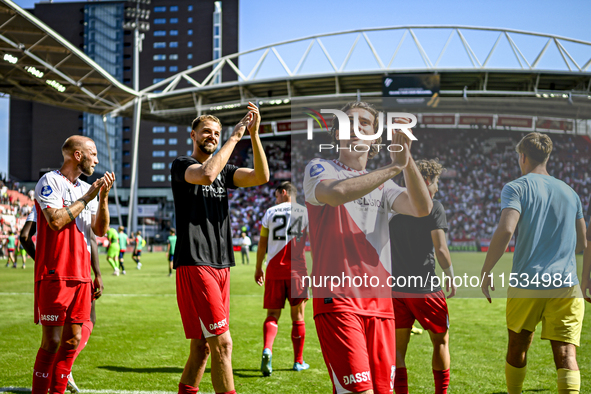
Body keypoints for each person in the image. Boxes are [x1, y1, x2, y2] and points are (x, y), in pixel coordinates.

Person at [303, 101, 432, 394]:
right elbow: (335, 194)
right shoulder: (319, 167)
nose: (356, 127)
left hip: (381, 306)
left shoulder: (385, 186)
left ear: (374, 138)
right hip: (338, 301)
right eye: (349, 122)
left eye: (365, 124)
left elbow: (422, 208)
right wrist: (394, 167)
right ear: (337, 133)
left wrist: (405, 159)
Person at [171, 102, 269, 394]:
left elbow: (261, 177)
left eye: (216, 132)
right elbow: (206, 175)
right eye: (206, 132)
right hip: (195, 262)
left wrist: (254, 135)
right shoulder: (182, 165)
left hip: (222, 264)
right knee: (223, 344)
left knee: (202, 348)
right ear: (193, 135)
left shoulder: (226, 171)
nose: (212, 136)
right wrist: (235, 135)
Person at [480, 132, 587, 394]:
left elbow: (506, 230)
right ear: (547, 156)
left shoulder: (516, 187)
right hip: (565, 285)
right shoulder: (571, 193)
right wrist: (584, 283)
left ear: (522, 156)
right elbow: (584, 243)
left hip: (528, 282)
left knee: (517, 347)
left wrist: (486, 270)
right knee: (566, 355)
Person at [31, 135, 113, 394]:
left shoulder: (84, 189)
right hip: (56, 273)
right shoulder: (50, 181)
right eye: (94, 153)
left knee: (72, 340)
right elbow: (55, 221)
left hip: (81, 275)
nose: (97, 160)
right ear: (78, 155)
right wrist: (88, 198)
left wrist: (103, 198)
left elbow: (99, 231)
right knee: (52, 342)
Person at [389, 159, 456, 394]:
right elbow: (441, 249)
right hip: (426, 289)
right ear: (426, 181)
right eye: (436, 183)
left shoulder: (393, 207)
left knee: (398, 351)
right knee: (440, 342)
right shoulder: (433, 206)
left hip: (396, 290)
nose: (437, 188)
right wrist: (449, 274)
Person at [20, 206, 104, 393]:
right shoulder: (78, 197)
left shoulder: (42, 203)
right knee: (83, 324)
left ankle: (63, 369)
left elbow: (25, 236)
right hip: (79, 273)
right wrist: (97, 272)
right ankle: (66, 366)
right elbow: (91, 237)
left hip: (52, 274)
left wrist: (42, 260)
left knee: (53, 339)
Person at [254, 181, 310, 377]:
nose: (275, 199)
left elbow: (262, 245)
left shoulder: (270, 212)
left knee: (272, 315)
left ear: (284, 192)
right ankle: (298, 361)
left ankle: (267, 349)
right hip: (297, 271)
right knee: (298, 317)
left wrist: (258, 268)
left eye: (277, 195)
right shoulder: (304, 212)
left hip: (274, 270)